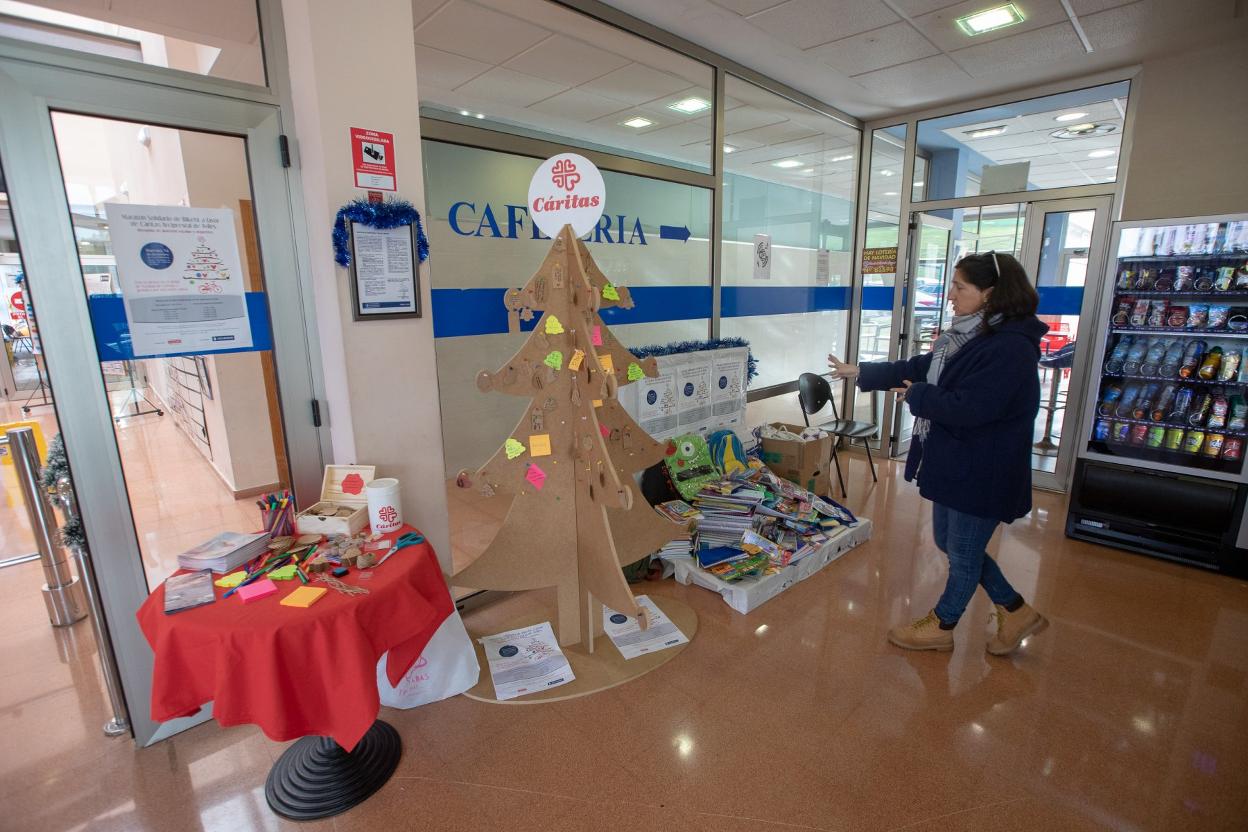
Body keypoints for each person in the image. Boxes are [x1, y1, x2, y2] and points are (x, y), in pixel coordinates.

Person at [828, 251, 1049, 656]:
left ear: (990, 294)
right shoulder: (968, 338)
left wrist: (918, 394)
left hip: (984, 469)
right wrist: (860, 372)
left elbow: (971, 408)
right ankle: (1015, 610)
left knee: (963, 553)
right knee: (951, 541)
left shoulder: (1009, 349)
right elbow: (919, 365)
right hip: (960, 464)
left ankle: (943, 625)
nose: (950, 295)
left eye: (960, 287)